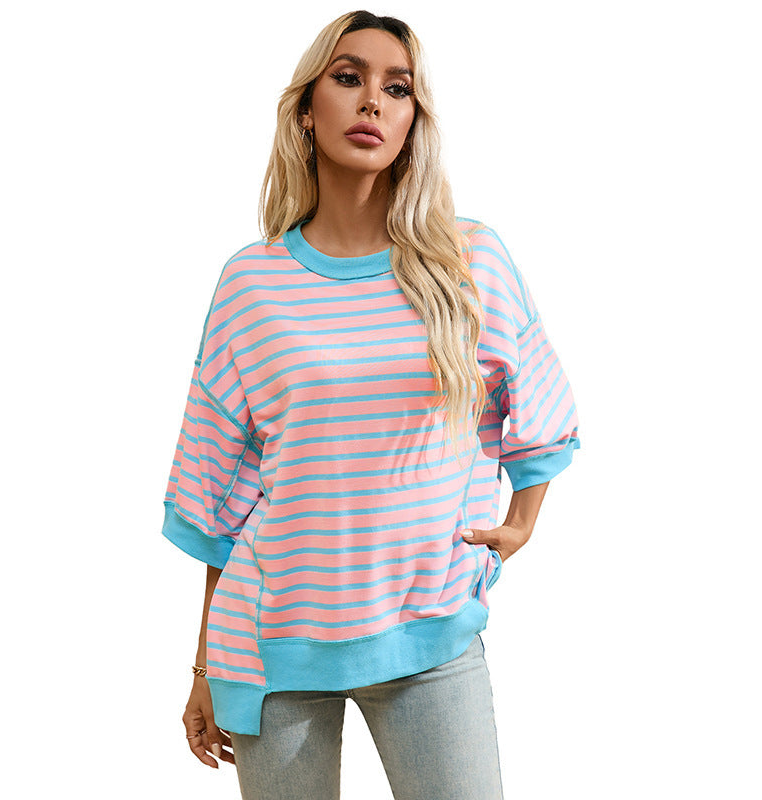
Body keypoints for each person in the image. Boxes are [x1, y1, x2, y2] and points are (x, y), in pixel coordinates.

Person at [160, 9, 581, 800]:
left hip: (432, 633)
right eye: (349, 78)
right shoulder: (251, 284)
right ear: (306, 109)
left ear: (414, 118)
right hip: (272, 644)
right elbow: (219, 492)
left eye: (398, 88)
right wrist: (204, 666)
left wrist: (523, 520)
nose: (372, 103)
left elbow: (543, 406)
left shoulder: (469, 261)